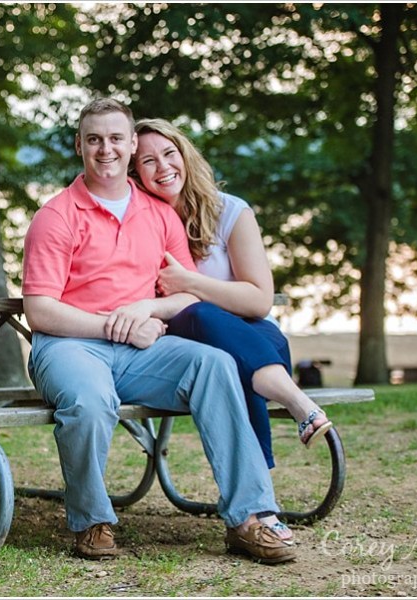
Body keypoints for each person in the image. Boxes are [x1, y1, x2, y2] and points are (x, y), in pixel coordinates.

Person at [22, 98, 296, 564]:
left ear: (131, 145)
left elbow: (186, 295)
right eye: (93, 140)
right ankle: (92, 520)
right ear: (79, 146)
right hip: (70, 346)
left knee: (215, 365)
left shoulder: (159, 214)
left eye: (114, 139)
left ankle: (250, 517)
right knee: (89, 401)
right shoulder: (57, 216)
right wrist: (115, 326)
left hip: (143, 350)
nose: (104, 149)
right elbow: (41, 311)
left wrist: (148, 312)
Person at [131, 117, 335, 538]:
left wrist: (191, 283)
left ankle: (257, 510)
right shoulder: (140, 222)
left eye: (169, 153)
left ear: (185, 155)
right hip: (189, 340)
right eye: (147, 161)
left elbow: (259, 300)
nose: (162, 166)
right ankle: (296, 415)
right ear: (135, 173)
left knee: (236, 349)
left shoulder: (231, 212)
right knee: (208, 325)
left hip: (254, 336)